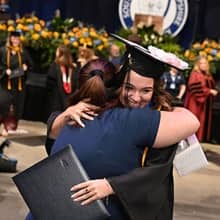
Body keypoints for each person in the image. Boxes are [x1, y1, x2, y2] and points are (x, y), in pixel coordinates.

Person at [26, 39, 199, 220]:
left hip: (135, 201)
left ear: (156, 89)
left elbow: (154, 174)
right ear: (118, 84)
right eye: (129, 88)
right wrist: (66, 114)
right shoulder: (104, 107)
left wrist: (112, 185)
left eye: (146, 91)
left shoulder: (158, 117)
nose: (135, 98)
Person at [0, 31, 33, 136]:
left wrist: (26, 68)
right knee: (3, 105)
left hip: (18, 85)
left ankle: (7, 127)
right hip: (5, 84)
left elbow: (31, 65)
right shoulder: (3, 51)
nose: (15, 41)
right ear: (10, 39)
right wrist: (5, 71)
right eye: (14, 39)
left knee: (17, 107)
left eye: (18, 39)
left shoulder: (23, 52)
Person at [184, 56, 218, 142]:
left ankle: (200, 138)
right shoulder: (195, 74)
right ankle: (192, 139)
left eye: (205, 63)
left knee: (202, 121)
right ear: (198, 65)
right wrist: (209, 91)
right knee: (195, 119)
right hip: (195, 103)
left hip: (205, 103)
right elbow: (195, 88)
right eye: (202, 63)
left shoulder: (207, 75)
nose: (204, 65)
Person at [45, 44, 78, 120]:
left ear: (60, 54)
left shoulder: (55, 65)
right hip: (69, 100)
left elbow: (49, 83)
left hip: (56, 100)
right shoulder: (73, 68)